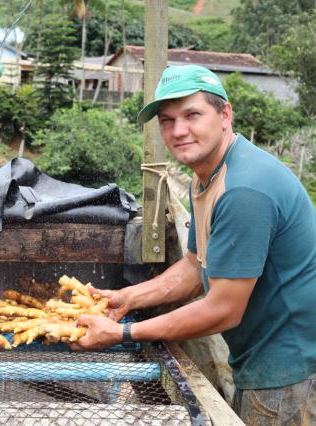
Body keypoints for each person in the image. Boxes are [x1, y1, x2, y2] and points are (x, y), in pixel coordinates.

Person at [72, 65, 316, 424]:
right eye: (167, 120)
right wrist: (129, 298)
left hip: (290, 371)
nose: (179, 130)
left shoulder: (244, 190)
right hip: (261, 360)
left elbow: (223, 310)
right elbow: (193, 264)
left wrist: (123, 332)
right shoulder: (205, 177)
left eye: (192, 115)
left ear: (225, 114)